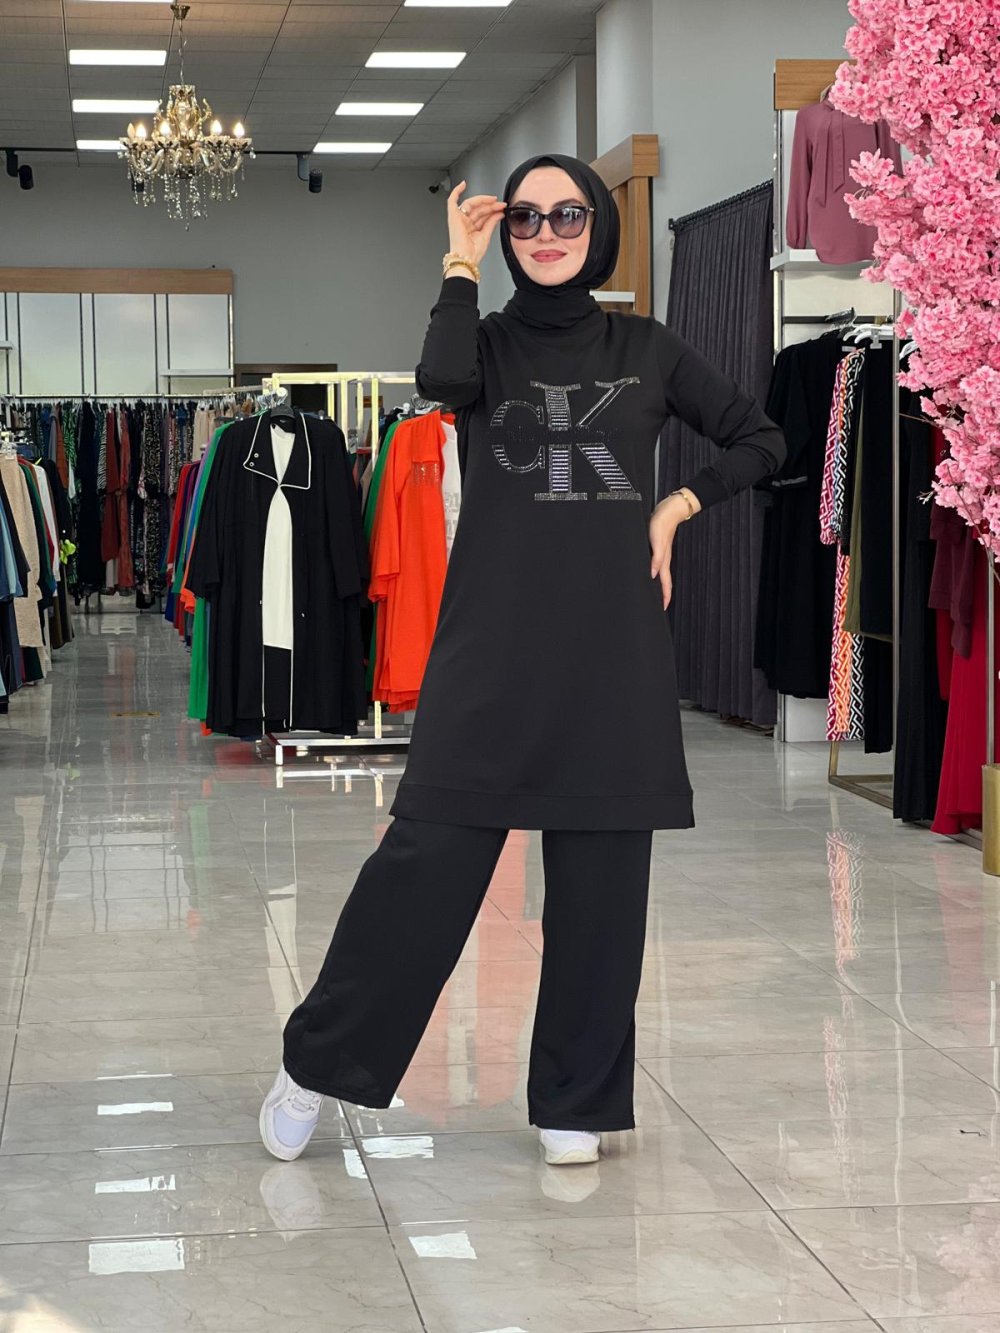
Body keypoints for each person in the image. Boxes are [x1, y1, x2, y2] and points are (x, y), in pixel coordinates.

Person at [260, 153, 786, 1167]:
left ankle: (576, 1098)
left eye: (568, 215)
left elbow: (761, 438)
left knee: (602, 889)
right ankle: (317, 1062)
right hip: (492, 650)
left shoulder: (647, 347)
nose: (547, 234)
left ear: (600, 228)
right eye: (527, 218)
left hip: (611, 657)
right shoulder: (485, 344)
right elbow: (439, 380)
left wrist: (677, 506)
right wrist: (458, 265)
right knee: (423, 869)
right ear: (505, 234)